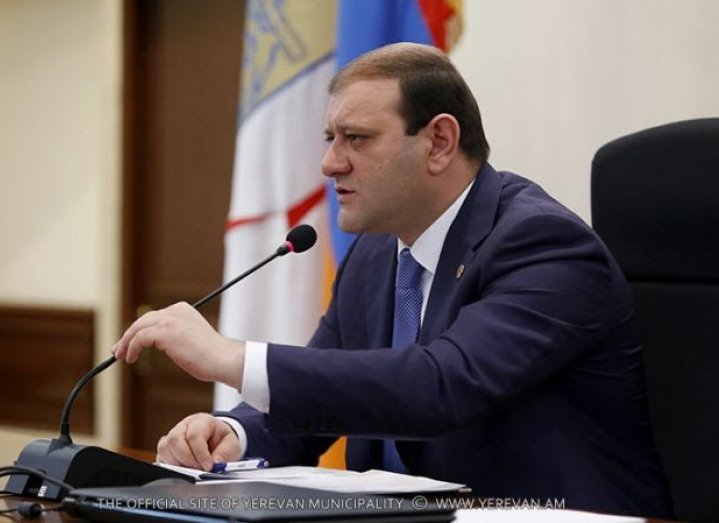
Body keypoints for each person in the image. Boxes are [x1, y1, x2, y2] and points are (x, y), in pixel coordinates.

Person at [113, 43, 673, 517]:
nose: (330, 164)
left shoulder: (544, 244)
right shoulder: (375, 254)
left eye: (356, 139)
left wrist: (231, 358)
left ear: (439, 142)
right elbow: (323, 396)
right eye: (330, 139)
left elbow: (439, 386)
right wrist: (232, 435)